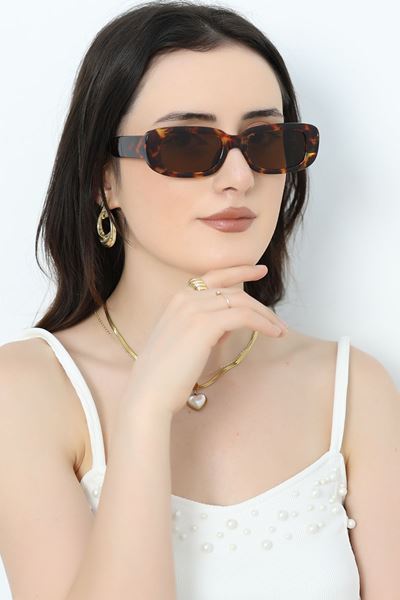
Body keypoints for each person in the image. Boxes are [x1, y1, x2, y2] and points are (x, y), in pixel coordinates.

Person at [0, 1, 398, 599]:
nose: (240, 177)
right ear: (104, 180)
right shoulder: (26, 391)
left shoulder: (352, 388)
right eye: (186, 143)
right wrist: (144, 414)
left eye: (266, 141)